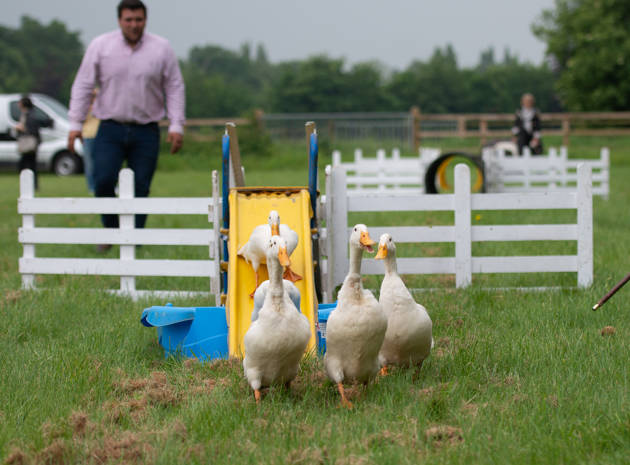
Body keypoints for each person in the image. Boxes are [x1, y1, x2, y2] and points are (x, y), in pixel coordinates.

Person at [68, 0, 185, 251]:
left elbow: (174, 86)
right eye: (129, 20)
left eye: (139, 20)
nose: (134, 25)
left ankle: (134, 238)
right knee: (102, 179)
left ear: (145, 20)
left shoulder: (161, 48)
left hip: (147, 129)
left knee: (141, 185)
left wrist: (176, 125)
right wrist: (75, 123)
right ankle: (111, 232)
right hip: (109, 127)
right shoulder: (101, 46)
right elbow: (83, 84)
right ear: (119, 20)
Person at [15, 95, 51, 190]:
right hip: (31, 143)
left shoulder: (29, 115)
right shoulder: (29, 114)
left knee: (25, 164)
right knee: (31, 165)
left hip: (29, 143)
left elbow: (31, 129)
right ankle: (33, 185)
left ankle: (31, 185)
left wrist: (21, 128)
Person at [81, 89, 100, 193]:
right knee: (89, 163)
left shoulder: (101, 105)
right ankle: (92, 187)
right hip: (88, 135)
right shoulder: (85, 107)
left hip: (100, 135)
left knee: (102, 162)